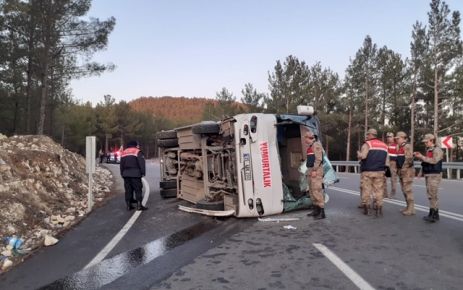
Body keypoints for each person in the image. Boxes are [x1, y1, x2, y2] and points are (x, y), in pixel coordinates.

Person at [357, 128, 388, 217]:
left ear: (370, 135)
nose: (366, 136)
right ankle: (379, 209)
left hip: (368, 171)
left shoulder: (367, 144)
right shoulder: (384, 145)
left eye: (367, 135)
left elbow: (363, 157)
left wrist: (359, 154)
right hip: (380, 171)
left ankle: (367, 209)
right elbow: (387, 161)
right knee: (379, 190)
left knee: (366, 190)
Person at [414, 134, 443, 223]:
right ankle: (433, 214)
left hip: (434, 175)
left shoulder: (437, 150)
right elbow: (426, 162)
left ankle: (433, 215)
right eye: (425, 142)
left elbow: (434, 161)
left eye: (426, 142)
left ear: (432, 140)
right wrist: (420, 172)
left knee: (432, 195)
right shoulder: (429, 150)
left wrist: (421, 157)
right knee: (430, 195)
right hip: (429, 174)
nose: (425, 143)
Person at [120, 140, 148, 211]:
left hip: (126, 174)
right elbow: (141, 163)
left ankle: (129, 206)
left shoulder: (124, 152)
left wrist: (122, 173)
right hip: (135, 174)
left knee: (128, 190)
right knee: (138, 189)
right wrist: (143, 172)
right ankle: (139, 205)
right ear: (135, 145)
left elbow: (121, 165)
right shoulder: (137, 151)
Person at [304, 130, 325, 219]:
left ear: (308, 138)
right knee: (312, 192)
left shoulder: (316, 145)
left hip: (315, 172)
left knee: (316, 191)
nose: (304, 140)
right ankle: (316, 210)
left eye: (305, 138)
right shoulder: (310, 146)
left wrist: (314, 170)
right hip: (310, 171)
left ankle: (322, 212)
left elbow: (318, 159)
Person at [395, 131, 415, 216]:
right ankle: (408, 207)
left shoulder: (407, 146)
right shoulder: (399, 147)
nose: (397, 140)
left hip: (407, 171)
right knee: (404, 190)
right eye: (396, 139)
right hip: (401, 170)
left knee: (408, 190)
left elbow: (409, 159)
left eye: (398, 138)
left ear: (403, 138)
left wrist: (403, 169)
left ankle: (411, 209)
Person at [385, 132, 398, 197]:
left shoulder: (396, 145)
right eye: (387, 137)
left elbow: (399, 155)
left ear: (393, 137)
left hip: (393, 163)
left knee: (393, 178)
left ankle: (393, 191)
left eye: (390, 137)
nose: (389, 138)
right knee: (384, 178)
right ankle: (385, 193)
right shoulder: (385, 145)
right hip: (386, 163)